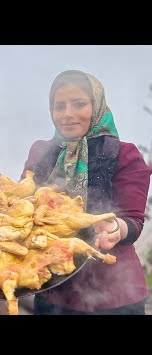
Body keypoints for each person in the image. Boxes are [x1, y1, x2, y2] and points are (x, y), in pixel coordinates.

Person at [21, 70, 151, 315]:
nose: (68, 114)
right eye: (60, 106)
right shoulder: (41, 152)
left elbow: (133, 221)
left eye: (79, 104)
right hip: (52, 290)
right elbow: (22, 207)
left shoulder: (124, 154)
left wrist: (115, 228)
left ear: (97, 105)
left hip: (112, 296)